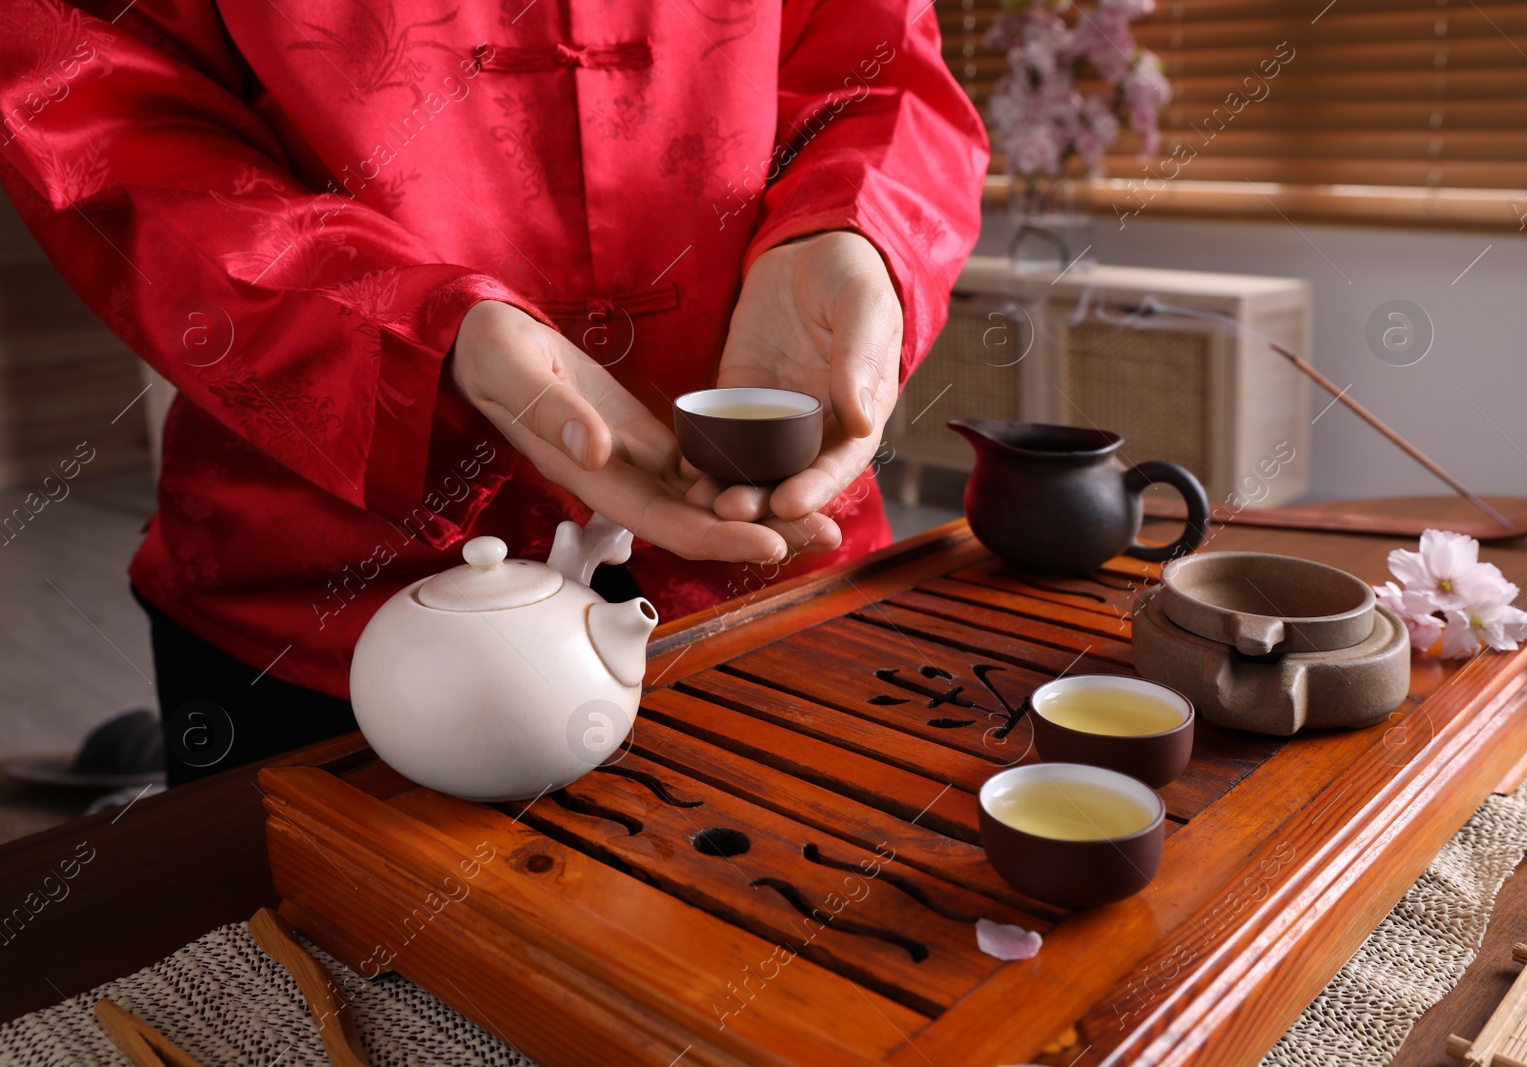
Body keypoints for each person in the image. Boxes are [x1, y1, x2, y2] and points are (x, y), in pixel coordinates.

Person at [1, 0, 987, 784]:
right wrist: (407, 326)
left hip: (762, 586)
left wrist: (849, 229)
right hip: (325, 603)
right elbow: (89, 105)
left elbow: (883, 71)